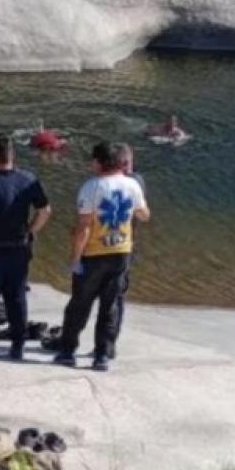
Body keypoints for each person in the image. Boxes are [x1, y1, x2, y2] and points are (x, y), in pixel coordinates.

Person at [52, 142, 150, 372]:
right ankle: (102, 355)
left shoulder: (91, 187)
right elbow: (144, 215)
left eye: (93, 159)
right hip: (122, 252)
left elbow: (84, 227)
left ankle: (67, 351)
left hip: (94, 254)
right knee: (110, 306)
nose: (91, 163)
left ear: (100, 162)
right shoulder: (132, 185)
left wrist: (75, 258)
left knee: (79, 305)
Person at [0, 134, 52, 359]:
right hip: (19, 250)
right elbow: (45, 211)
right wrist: (31, 229)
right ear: (12, 154)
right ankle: (17, 345)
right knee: (16, 297)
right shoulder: (28, 180)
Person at [106, 143, 147, 359]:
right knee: (113, 296)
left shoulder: (133, 182)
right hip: (122, 245)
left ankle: (108, 344)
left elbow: (142, 213)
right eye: (125, 163)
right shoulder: (132, 182)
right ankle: (107, 343)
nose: (127, 167)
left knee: (114, 296)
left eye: (128, 163)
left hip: (121, 246)